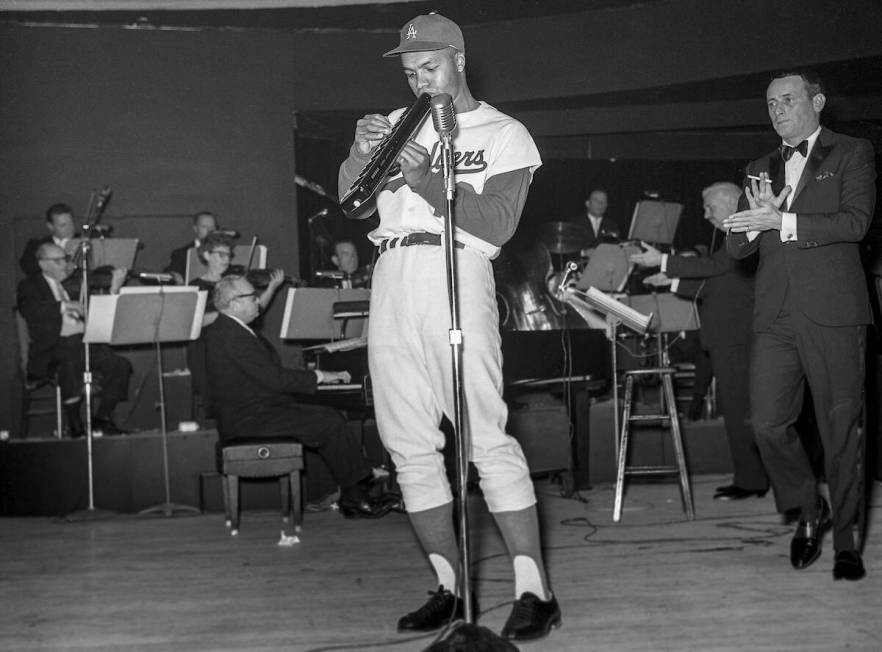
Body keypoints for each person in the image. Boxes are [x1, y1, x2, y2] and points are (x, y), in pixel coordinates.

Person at [337, 12, 560, 642]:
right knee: (407, 443)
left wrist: (426, 180)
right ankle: (449, 584)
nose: (418, 79)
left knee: (484, 436)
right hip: (391, 273)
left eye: (428, 66)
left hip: (455, 269)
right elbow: (352, 202)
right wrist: (361, 152)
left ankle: (533, 591)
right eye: (409, 70)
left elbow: (498, 224)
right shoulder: (398, 126)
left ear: (458, 59)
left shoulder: (503, 132)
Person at [723, 71, 876, 581]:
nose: (778, 108)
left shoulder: (852, 152)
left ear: (818, 101)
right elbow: (739, 246)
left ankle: (848, 542)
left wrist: (781, 222)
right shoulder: (760, 167)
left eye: (788, 99)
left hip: (834, 312)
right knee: (766, 424)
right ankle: (810, 511)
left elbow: (856, 223)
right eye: (770, 103)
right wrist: (747, 223)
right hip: (775, 316)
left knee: (841, 432)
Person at [204, 275, 393, 518]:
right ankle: (357, 496)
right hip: (248, 419)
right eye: (252, 297)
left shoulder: (229, 330)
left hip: (254, 411)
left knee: (326, 418)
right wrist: (321, 376)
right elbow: (274, 379)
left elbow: (267, 378)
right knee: (328, 422)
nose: (258, 302)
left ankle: (355, 490)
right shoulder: (232, 334)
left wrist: (315, 378)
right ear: (233, 303)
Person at [630, 182, 768, 500]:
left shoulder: (745, 233)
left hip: (738, 338)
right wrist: (674, 280)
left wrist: (665, 262)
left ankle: (754, 480)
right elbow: (720, 285)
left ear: (732, 203)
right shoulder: (735, 235)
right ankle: (751, 478)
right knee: (736, 414)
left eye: (710, 208)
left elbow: (718, 268)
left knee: (741, 413)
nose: (706, 216)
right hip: (728, 338)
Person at [17, 242, 133, 437]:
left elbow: (97, 311)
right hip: (53, 348)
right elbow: (30, 310)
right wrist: (64, 306)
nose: (66, 264)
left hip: (83, 344)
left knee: (120, 365)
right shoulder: (30, 285)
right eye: (59, 260)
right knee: (70, 361)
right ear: (43, 264)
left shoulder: (74, 284)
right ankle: (74, 423)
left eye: (66, 259)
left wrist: (113, 289)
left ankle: (101, 418)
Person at [19, 203, 81, 277]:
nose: (70, 228)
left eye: (71, 222)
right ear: (50, 227)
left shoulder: (83, 241)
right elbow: (27, 267)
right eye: (63, 225)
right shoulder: (37, 245)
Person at [164, 211, 218, 283]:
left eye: (212, 227)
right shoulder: (182, 254)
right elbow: (170, 276)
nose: (209, 230)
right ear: (195, 229)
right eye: (204, 226)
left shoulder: (225, 253)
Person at [570, 189, 620, 257]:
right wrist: (584, 253)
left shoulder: (612, 225)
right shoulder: (574, 224)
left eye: (604, 201)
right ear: (587, 203)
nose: (600, 203)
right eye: (596, 200)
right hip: (581, 265)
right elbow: (566, 247)